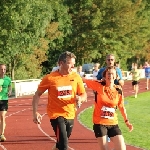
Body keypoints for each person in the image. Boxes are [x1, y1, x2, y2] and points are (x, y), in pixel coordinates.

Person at [32, 51, 87, 150]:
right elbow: (37, 94)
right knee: (64, 145)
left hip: (70, 114)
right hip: (56, 114)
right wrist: (35, 112)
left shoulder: (76, 77)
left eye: (74, 64)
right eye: (70, 64)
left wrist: (80, 98)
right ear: (61, 63)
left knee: (60, 143)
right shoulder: (50, 78)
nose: (73, 67)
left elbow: (84, 94)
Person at [83, 66, 133, 150]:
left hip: (113, 123)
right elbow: (83, 80)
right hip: (100, 123)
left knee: (122, 148)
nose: (110, 75)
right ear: (105, 76)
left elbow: (121, 106)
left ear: (116, 76)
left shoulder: (118, 89)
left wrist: (127, 121)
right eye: (108, 74)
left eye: (112, 73)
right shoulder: (98, 85)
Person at [0, 64, 12, 142]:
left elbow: (10, 86)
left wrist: (10, 91)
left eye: (4, 69)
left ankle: (2, 135)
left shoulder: (8, 79)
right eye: (1, 69)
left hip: (4, 100)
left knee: (2, 116)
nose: (3, 71)